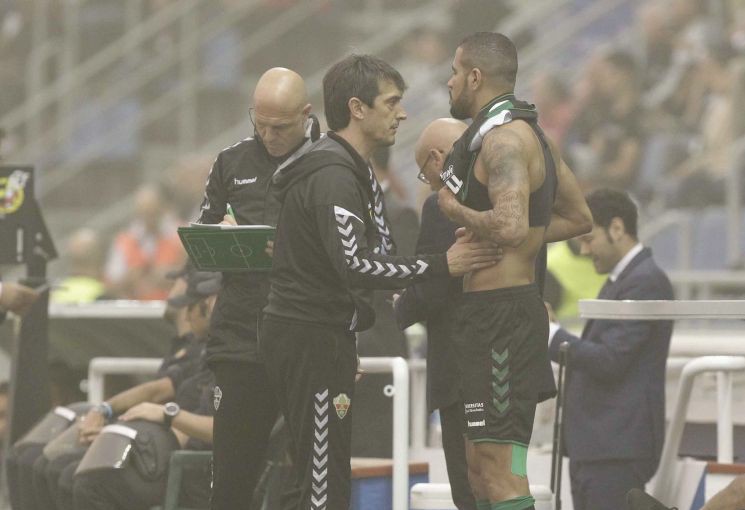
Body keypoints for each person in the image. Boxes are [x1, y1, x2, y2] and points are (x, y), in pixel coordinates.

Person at [260, 54, 502, 510]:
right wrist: (440, 264)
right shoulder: (333, 174)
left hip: (323, 337)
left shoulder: (349, 168)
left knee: (325, 476)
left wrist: (347, 336)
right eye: (391, 102)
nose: (402, 112)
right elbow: (357, 265)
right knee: (321, 485)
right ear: (357, 108)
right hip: (308, 340)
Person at [437, 32, 592, 510]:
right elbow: (577, 218)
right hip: (488, 319)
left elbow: (508, 224)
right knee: (481, 466)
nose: (450, 81)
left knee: (502, 472)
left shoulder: (504, 141)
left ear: (476, 77)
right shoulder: (533, 138)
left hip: (503, 324)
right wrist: (520, 233)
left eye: (456, 72)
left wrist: (453, 208)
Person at [194, 66, 320, 509]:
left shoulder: (330, 163)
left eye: (280, 127)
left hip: (308, 339)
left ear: (306, 115)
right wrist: (220, 236)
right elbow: (203, 233)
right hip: (240, 340)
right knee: (230, 479)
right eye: (259, 124)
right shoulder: (230, 161)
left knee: (313, 479)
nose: (268, 135)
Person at [548, 189, 674, 510]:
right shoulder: (623, 279)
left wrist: (550, 335)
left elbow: (610, 360)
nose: (584, 249)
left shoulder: (646, 281)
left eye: (589, 239)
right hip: (599, 446)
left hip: (616, 448)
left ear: (617, 228)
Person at [394, 117, 478, 510]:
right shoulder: (511, 194)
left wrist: (393, 309)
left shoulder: (443, 203)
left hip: (460, 374)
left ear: (437, 158)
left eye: (425, 174)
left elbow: (432, 284)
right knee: (506, 478)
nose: (427, 182)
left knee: (469, 485)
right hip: (508, 371)